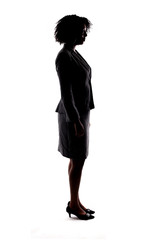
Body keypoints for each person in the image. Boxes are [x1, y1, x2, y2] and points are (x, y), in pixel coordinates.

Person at [54, 15, 95, 220]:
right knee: (77, 160)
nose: (85, 34)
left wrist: (84, 116)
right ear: (72, 32)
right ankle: (74, 205)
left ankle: (75, 201)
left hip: (80, 113)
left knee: (77, 159)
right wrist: (76, 120)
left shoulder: (73, 53)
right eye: (82, 30)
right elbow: (66, 92)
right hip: (73, 115)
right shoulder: (64, 56)